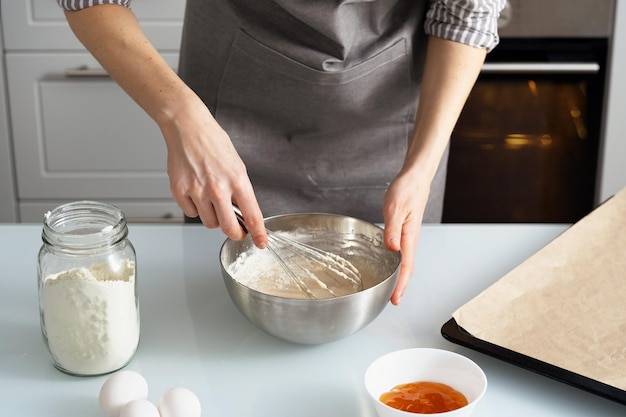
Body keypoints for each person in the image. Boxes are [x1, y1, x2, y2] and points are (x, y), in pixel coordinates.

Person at [57, 0, 504, 305]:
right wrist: (179, 118)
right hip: (227, 113)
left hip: (393, 117)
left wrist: (421, 168)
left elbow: (466, 12)